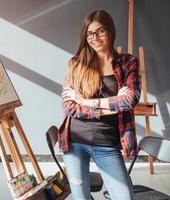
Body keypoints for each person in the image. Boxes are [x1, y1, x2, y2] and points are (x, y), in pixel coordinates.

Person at [59, 10, 141, 200]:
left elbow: (130, 100)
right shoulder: (76, 63)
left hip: (107, 143)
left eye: (100, 31)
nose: (94, 38)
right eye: (89, 33)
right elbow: (70, 107)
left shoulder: (128, 62)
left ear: (111, 32)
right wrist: (110, 107)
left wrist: (88, 102)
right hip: (75, 142)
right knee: (81, 198)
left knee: (125, 197)